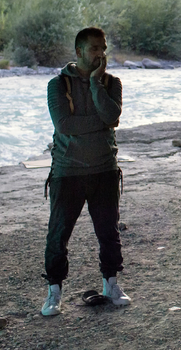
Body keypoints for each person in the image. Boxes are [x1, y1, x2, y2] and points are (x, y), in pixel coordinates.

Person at [41, 27, 130, 316]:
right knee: (58, 235)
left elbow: (112, 115)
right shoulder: (58, 85)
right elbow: (64, 125)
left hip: (104, 169)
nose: (101, 54)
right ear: (78, 51)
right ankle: (54, 292)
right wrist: (101, 121)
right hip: (68, 172)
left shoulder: (111, 82)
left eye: (103, 48)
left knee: (109, 232)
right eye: (94, 49)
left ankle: (111, 285)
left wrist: (94, 84)